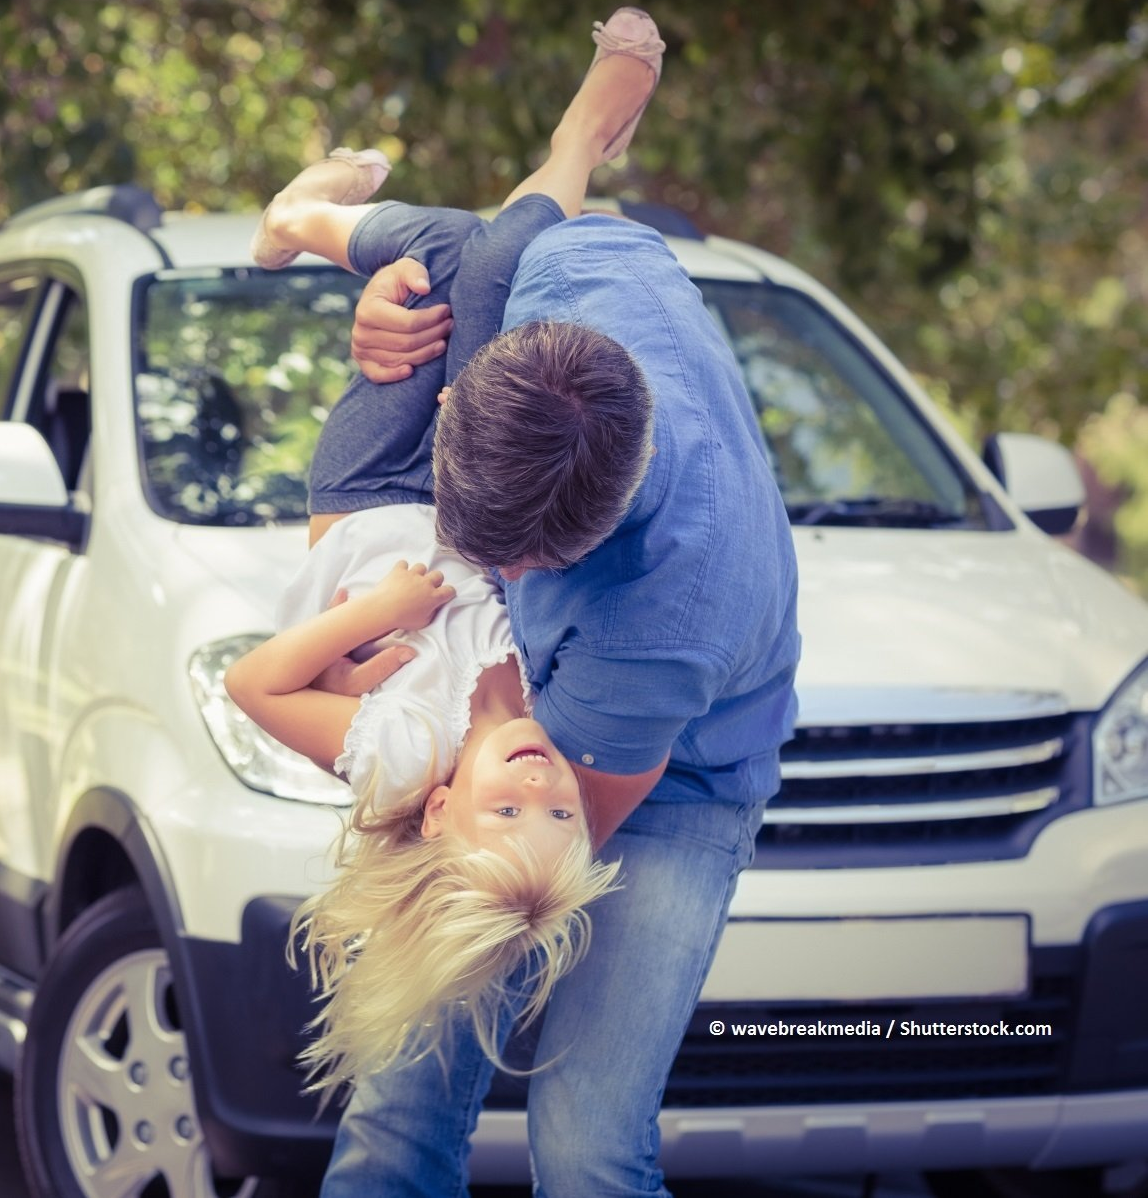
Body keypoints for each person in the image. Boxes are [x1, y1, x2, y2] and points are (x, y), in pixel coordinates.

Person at [294, 9, 804, 1196]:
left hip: (662, 784)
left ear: (579, 546)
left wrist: (431, 788)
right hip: (503, 739)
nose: (486, 577)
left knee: (582, 1146)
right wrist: (377, 332)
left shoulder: (661, 614)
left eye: (509, 565)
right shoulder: (557, 275)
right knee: (398, 1103)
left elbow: (549, 821)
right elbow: (531, 193)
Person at [225, 80, 658, 1090]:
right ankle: (572, 149)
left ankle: (303, 214)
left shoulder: (401, 755)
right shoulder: (563, 706)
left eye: (504, 815)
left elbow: (254, 688)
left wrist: (377, 614)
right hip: (468, 487)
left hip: (369, 495)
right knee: (484, 259)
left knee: (436, 272)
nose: (541, 793)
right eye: (558, 820)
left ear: (435, 817)